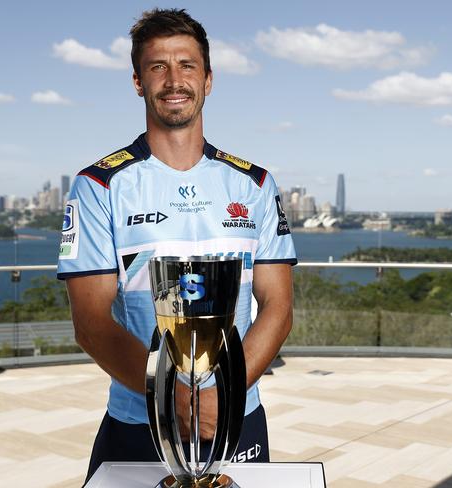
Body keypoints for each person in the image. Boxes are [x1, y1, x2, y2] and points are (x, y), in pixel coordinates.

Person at [56, 8, 296, 482]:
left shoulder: (256, 184)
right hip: (137, 422)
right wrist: (171, 401)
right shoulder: (98, 186)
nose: (173, 80)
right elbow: (90, 323)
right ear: (138, 82)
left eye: (186, 65)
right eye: (157, 67)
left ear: (208, 80)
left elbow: (279, 307)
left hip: (236, 418)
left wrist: (221, 399)